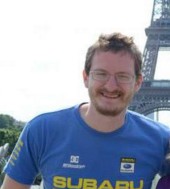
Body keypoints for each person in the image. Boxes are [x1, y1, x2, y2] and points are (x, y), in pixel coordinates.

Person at [1, 32, 170, 189]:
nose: (111, 86)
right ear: (85, 78)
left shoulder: (162, 140)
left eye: (123, 76)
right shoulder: (41, 130)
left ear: (138, 82)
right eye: (101, 74)